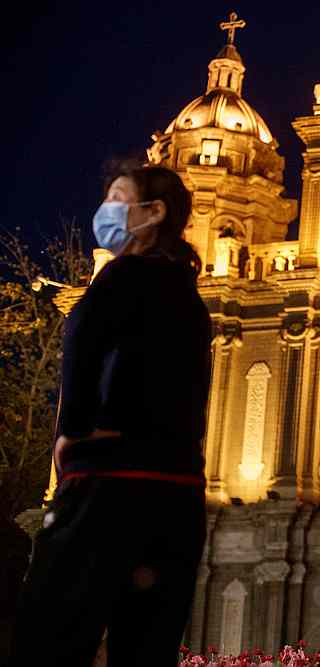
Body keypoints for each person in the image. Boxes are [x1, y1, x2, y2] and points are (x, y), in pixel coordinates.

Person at [12, 163, 212, 666]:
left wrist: (71, 435)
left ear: (154, 213)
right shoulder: (189, 295)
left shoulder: (122, 275)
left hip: (108, 483)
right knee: (145, 647)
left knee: (51, 636)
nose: (107, 208)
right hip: (179, 494)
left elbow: (82, 353)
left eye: (119, 196)